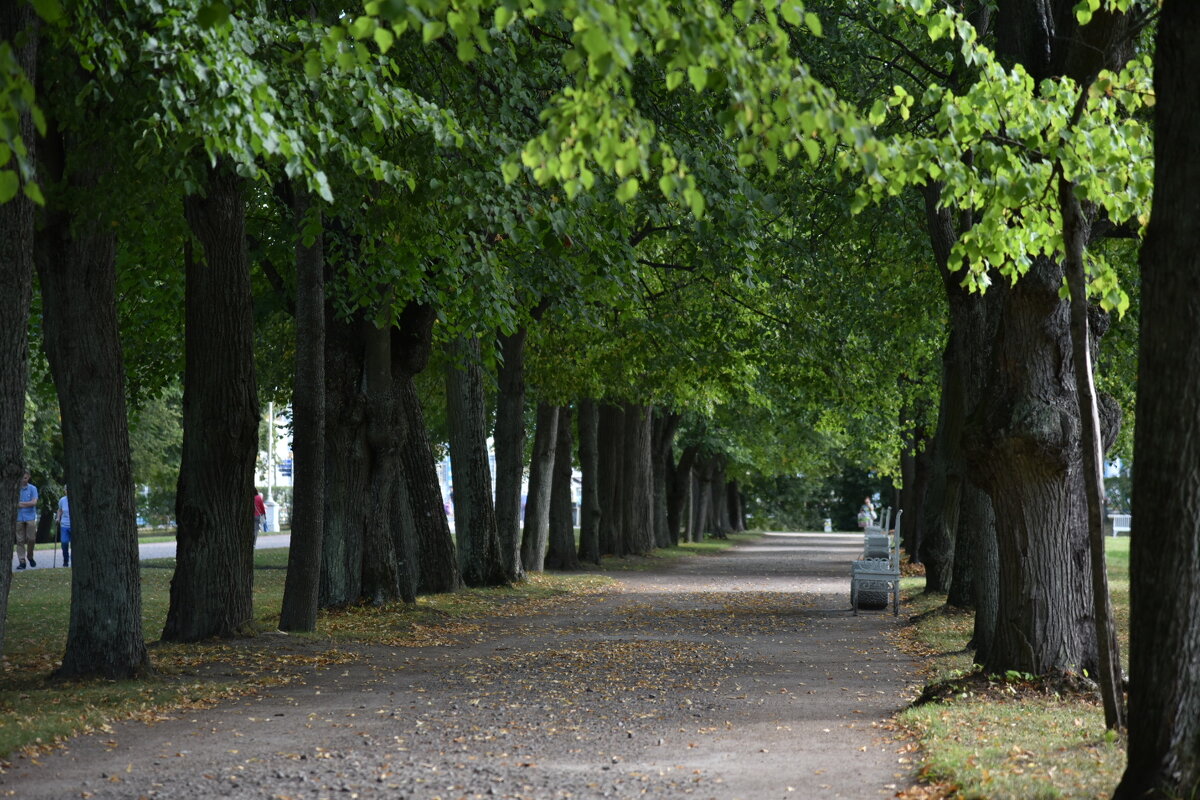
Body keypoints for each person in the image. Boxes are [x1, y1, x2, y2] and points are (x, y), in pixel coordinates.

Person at [15, 471, 38, 569]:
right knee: (20, 540)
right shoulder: (15, 489)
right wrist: (25, 504)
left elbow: (34, 502)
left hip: (30, 517)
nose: (23, 480)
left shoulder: (33, 488)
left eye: (25, 478)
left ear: (28, 477)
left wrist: (20, 504)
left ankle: (30, 556)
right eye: (22, 478)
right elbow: (14, 503)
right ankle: (22, 561)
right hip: (18, 517)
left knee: (31, 539)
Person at [55, 485, 71, 568]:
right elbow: (59, 510)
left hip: (74, 526)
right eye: (66, 489)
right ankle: (65, 560)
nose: (67, 490)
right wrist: (58, 518)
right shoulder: (62, 500)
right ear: (64, 490)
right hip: (64, 525)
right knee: (64, 542)